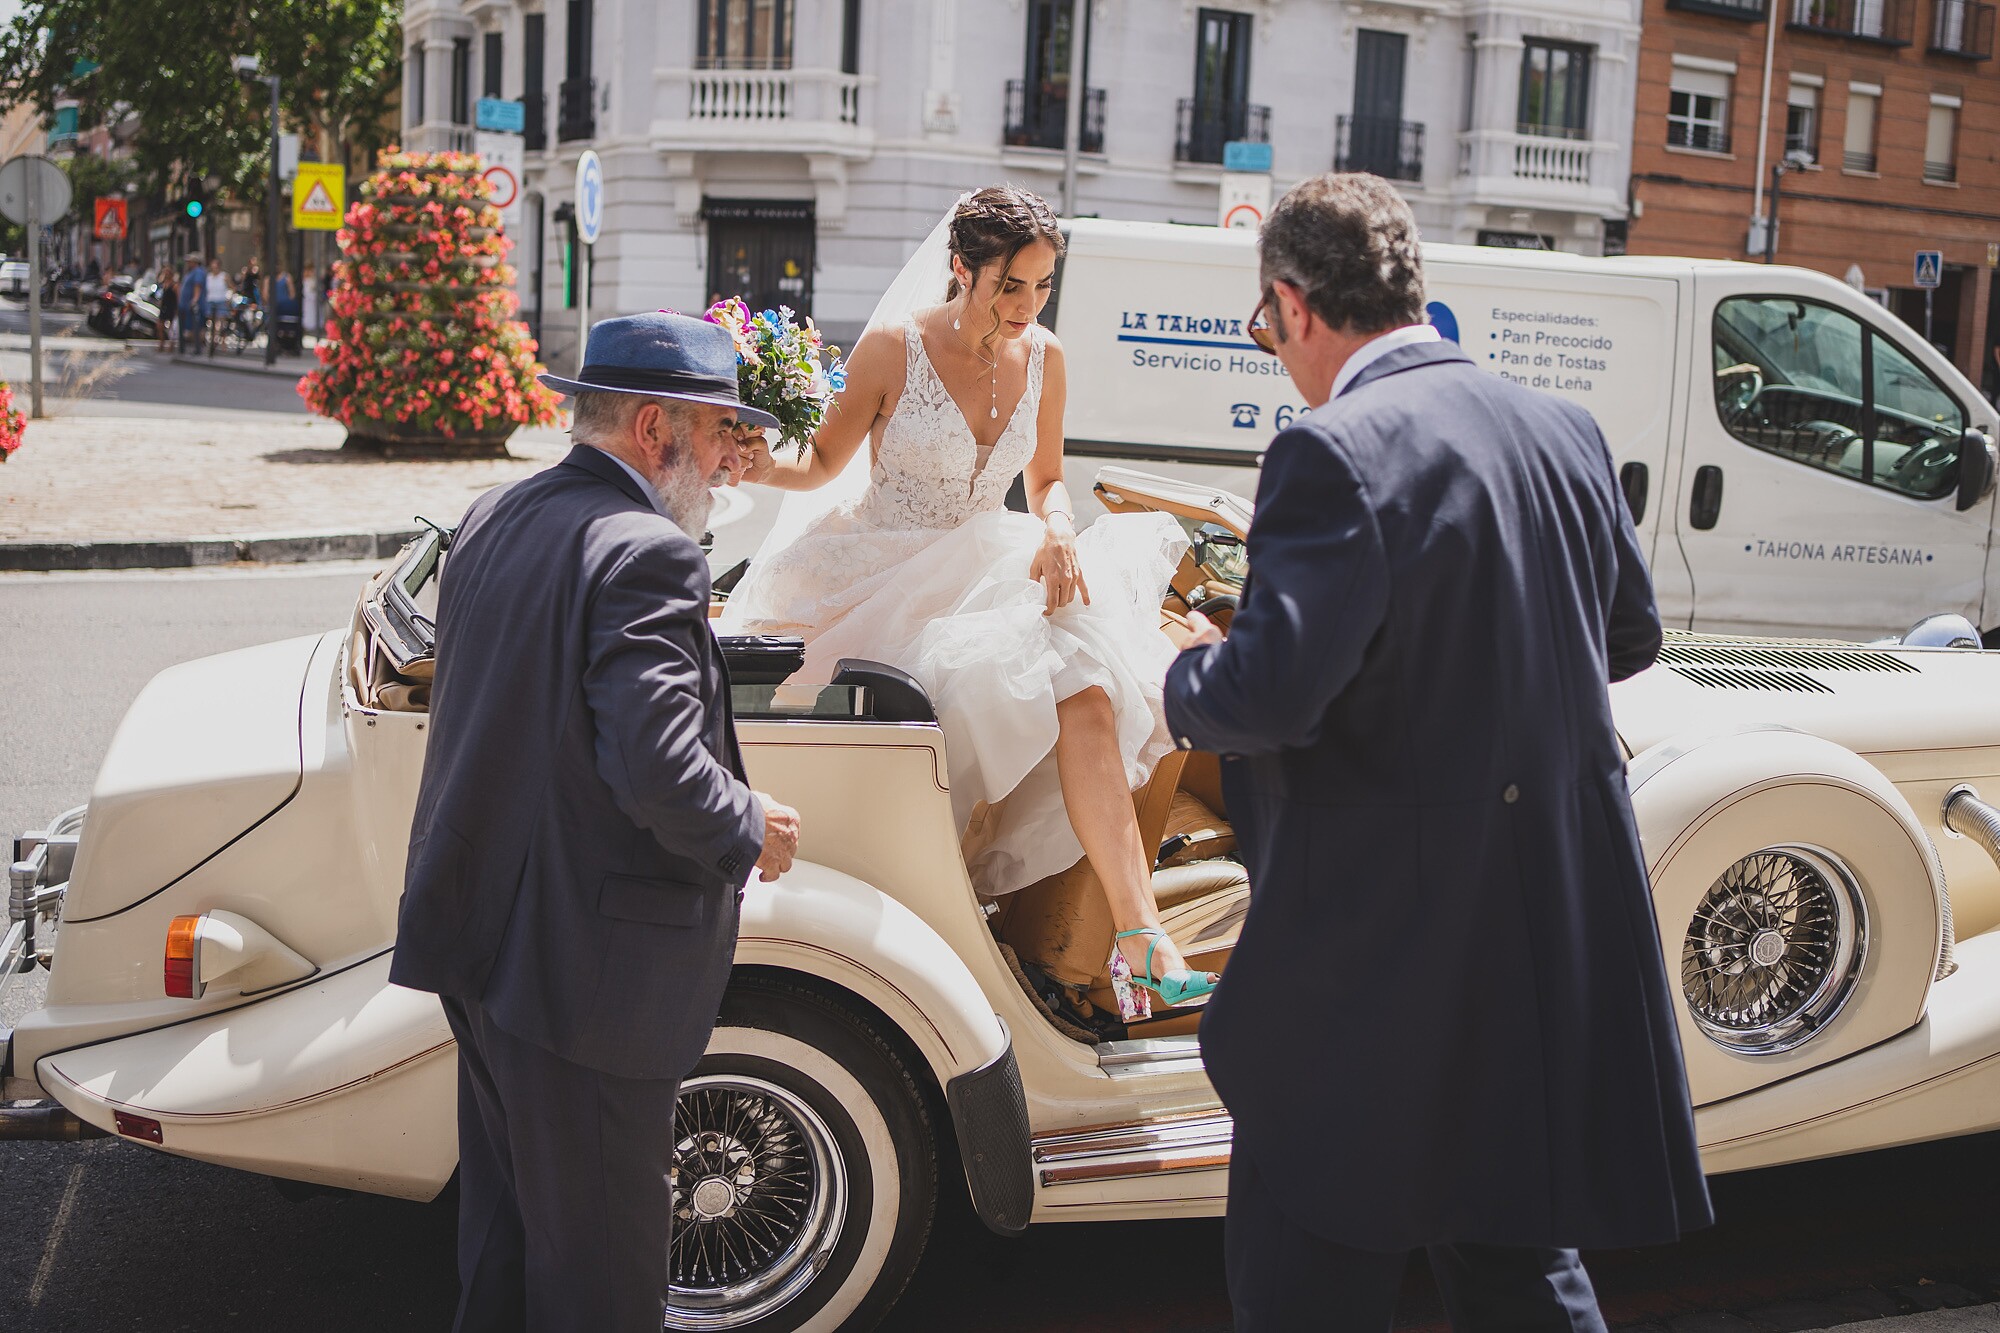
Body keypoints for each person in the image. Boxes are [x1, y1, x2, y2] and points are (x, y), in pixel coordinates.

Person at [1162, 174, 1712, 1330]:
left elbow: (1267, 697)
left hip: (1372, 947)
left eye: (1266, 328)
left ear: (1292, 303)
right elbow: (1626, 635)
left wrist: (1182, 671)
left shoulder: (1329, 449)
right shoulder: (1562, 428)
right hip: (1537, 927)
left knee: (1307, 1269)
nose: (1276, 352)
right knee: (1517, 1265)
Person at [392, 311, 801, 1332]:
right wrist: (749, 823)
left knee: (507, 1244)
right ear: (655, 428)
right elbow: (658, 768)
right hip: (587, 975)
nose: (732, 461)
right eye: (721, 432)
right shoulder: (650, 552)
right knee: (602, 1284)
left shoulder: (494, 511)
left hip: (483, 939)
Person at [722, 186, 1215, 1015]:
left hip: (989, 564)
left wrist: (1058, 526)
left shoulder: (1047, 357)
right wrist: (754, 457)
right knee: (964, 709)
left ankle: (1141, 933)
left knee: (1089, 683)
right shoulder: (894, 347)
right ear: (961, 269)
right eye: (1010, 286)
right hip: (880, 575)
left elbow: (1047, 479)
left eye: (1043, 286)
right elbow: (822, 463)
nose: (1027, 305)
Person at [177, 254, 207, 355]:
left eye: (190, 262)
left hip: (192, 305)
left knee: (195, 327)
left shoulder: (198, 272)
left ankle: (197, 348)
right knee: (186, 327)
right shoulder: (190, 272)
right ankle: (184, 348)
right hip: (184, 304)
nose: (188, 264)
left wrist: (194, 300)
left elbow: (197, 286)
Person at [204, 262, 232, 355]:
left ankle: (222, 343)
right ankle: (213, 342)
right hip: (211, 301)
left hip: (221, 301)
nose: (214, 269)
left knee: (221, 324)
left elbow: (232, 287)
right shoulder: (208, 277)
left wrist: (228, 298)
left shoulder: (224, 276)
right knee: (212, 324)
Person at [153, 263, 177, 353]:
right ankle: (161, 343)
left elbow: (178, 297)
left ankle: (171, 345)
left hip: (171, 307)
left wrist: (177, 309)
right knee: (159, 326)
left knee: (172, 328)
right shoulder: (163, 284)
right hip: (164, 307)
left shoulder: (174, 285)